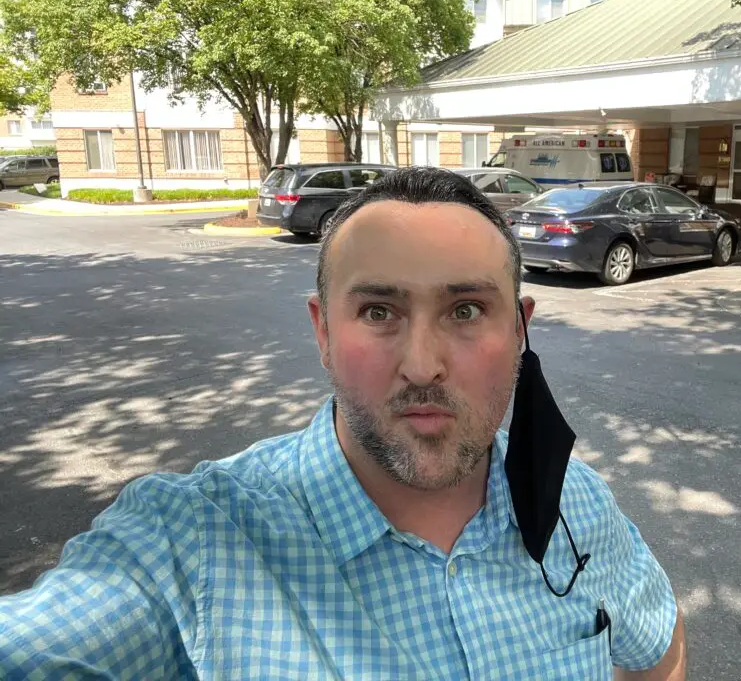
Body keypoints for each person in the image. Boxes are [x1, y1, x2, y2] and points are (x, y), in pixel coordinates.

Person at [0, 168, 685, 679]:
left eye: (467, 310)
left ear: (520, 332)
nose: (422, 365)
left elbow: (659, 642)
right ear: (323, 332)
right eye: (379, 312)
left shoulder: (580, 508)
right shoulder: (193, 543)